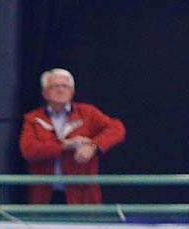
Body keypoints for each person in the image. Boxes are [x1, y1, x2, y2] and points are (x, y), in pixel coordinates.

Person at [19, 68, 126, 206]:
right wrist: (65, 145)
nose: (61, 90)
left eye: (65, 86)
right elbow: (29, 150)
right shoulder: (33, 118)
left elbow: (117, 129)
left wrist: (93, 146)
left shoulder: (88, 113)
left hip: (82, 196)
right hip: (44, 197)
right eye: (55, 86)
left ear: (72, 92)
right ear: (44, 93)